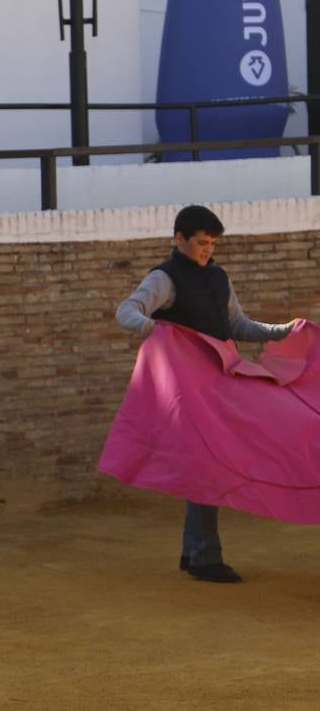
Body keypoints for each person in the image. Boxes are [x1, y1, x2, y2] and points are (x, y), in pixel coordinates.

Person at [115, 204, 299, 583]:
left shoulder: (218, 277)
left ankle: (193, 552)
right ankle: (203, 556)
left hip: (218, 383)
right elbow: (127, 310)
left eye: (212, 244)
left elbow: (238, 325)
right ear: (179, 239)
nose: (207, 250)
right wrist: (159, 333)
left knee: (207, 463)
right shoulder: (164, 278)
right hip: (186, 389)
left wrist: (284, 331)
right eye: (201, 243)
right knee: (208, 465)